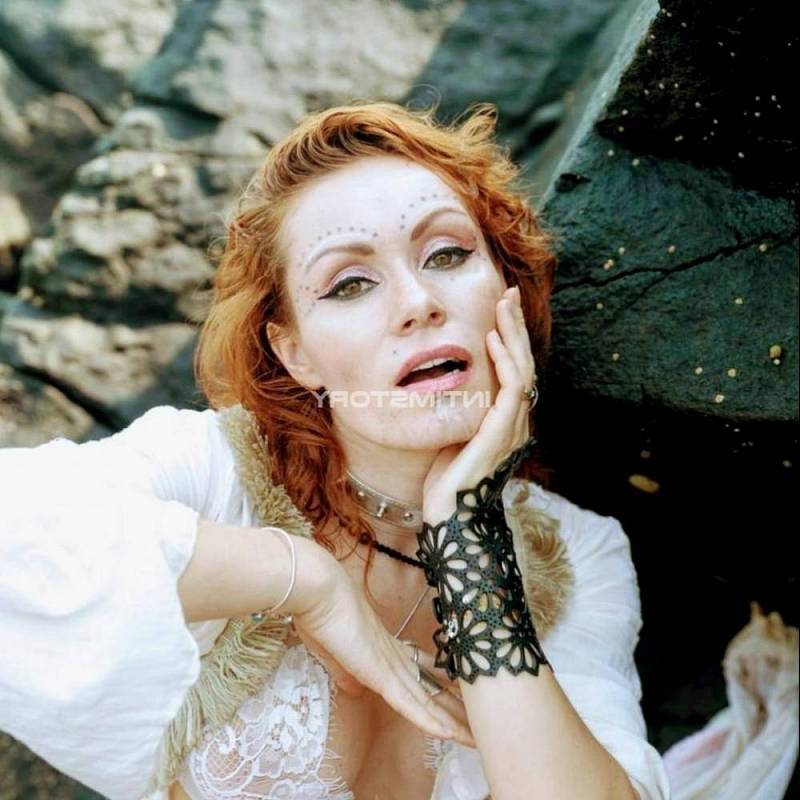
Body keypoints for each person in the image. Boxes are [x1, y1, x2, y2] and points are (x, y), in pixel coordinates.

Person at [0, 101, 671, 800]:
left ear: (505, 289)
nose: (418, 302)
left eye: (447, 254)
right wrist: (305, 580)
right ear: (295, 353)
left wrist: (470, 539)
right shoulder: (212, 473)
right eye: (350, 284)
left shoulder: (579, 553)